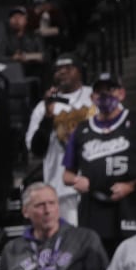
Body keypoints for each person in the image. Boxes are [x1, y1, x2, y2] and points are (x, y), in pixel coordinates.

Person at [64, 71, 136, 251]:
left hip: (130, 203)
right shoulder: (82, 129)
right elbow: (67, 174)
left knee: (134, 253)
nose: (105, 95)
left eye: (111, 89)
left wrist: (133, 185)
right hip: (93, 204)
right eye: (100, 91)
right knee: (97, 259)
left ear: (121, 93)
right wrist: (76, 180)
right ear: (92, 97)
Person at [26, 56, 94, 227]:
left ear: (80, 70)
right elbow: (36, 150)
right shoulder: (43, 107)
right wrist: (49, 116)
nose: (62, 71)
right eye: (58, 69)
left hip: (96, 182)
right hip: (61, 188)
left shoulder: (95, 96)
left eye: (68, 67)